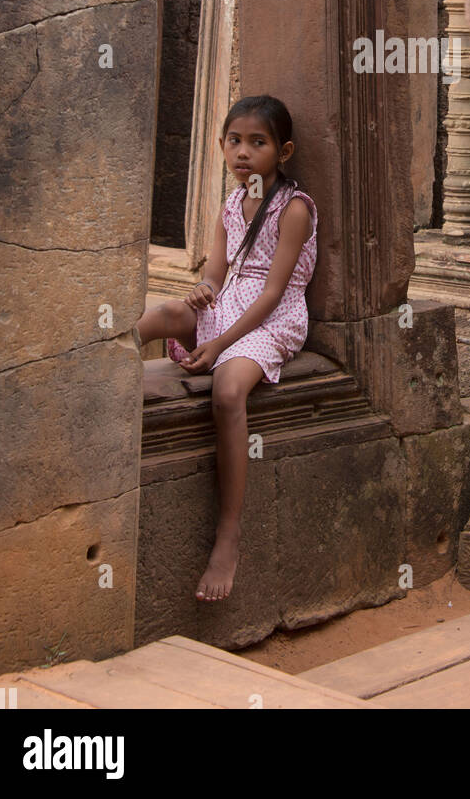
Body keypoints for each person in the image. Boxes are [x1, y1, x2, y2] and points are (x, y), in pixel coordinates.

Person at [136, 94, 316, 603]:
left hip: (270, 318)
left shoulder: (294, 208)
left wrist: (218, 344)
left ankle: (228, 533)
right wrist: (202, 291)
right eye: (234, 141)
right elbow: (216, 272)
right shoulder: (232, 204)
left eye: (257, 143)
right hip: (230, 303)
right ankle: (99, 370)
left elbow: (275, 292)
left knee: (228, 389)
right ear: (221, 146)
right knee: (164, 314)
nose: (243, 152)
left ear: (283, 152)